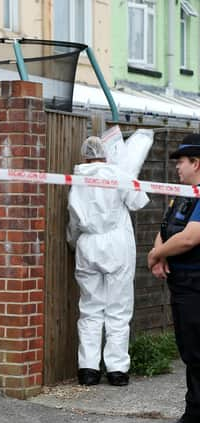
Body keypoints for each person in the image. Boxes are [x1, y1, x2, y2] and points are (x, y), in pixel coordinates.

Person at [66, 136, 149, 387]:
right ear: (106, 154)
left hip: (87, 243)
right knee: (118, 309)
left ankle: (88, 369)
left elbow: (72, 219)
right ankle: (116, 370)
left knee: (90, 308)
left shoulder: (77, 179)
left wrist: (72, 242)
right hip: (116, 244)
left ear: (84, 156)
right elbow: (138, 202)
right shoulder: (118, 174)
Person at [148, 134, 200, 423]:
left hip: (196, 284)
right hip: (181, 286)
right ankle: (193, 414)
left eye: (181, 162)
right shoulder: (183, 194)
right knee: (190, 353)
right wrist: (161, 253)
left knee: (197, 354)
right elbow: (167, 226)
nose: (177, 167)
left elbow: (191, 237)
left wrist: (155, 255)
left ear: (196, 162)